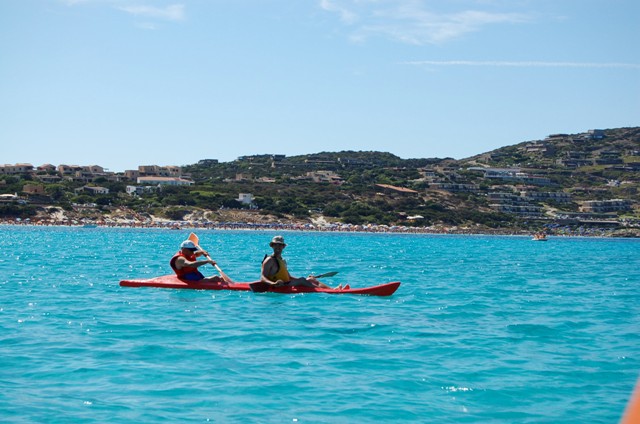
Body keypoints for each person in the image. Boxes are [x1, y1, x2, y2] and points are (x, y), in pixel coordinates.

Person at [260, 235, 342, 289]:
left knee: (310, 279)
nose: (278, 247)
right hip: (278, 285)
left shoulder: (282, 260)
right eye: (276, 245)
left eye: (280, 245)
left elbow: (288, 277)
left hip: (286, 283)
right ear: (272, 246)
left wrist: (306, 279)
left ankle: (332, 289)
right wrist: (273, 284)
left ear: (283, 247)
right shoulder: (269, 260)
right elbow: (263, 278)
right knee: (302, 280)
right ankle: (327, 291)